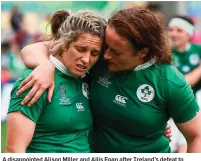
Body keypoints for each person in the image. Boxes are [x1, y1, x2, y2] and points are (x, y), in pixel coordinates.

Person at [18, 8, 201, 153]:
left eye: (116, 52)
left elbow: (196, 136)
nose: (105, 55)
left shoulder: (169, 81)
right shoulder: (98, 54)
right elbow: (34, 49)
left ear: (142, 53)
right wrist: (45, 65)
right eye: (107, 47)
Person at [6, 10, 106, 153]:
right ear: (64, 44)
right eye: (80, 49)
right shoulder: (35, 80)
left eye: (94, 53)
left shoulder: (88, 77)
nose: (86, 59)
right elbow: (14, 150)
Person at [167, 15, 201, 97]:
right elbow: (180, 85)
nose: (173, 34)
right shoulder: (165, 54)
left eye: (179, 30)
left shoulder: (198, 50)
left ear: (189, 34)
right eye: (170, 30)